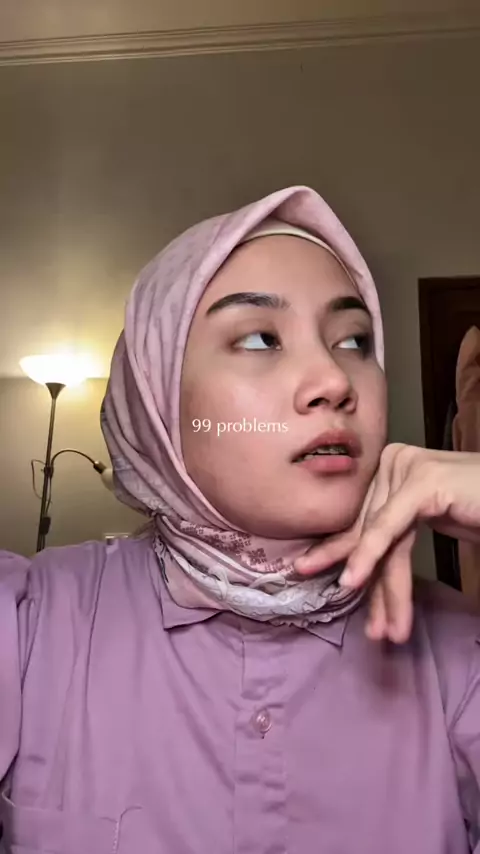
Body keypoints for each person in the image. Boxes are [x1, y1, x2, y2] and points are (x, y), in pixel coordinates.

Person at [1, 185, 480, 854]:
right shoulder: (28, 626)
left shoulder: (458, 651)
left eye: (354, 341)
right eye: (260, 339)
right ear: (158, 400)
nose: (334, 381)